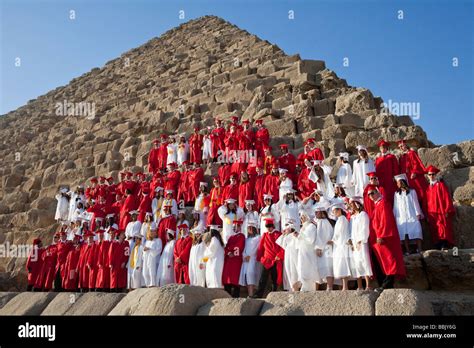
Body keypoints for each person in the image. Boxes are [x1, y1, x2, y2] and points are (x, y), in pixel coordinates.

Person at [368, 188, 406, 291]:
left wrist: (381, 235)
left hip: (384, 238)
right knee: (382, 261)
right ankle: (384, 283)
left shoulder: (383, 203)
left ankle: (387, 284)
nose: (371, 196)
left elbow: (385, 220)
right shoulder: (377, 205)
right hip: (377, 240)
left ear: (378, 192)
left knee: (389, 260)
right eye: (369, 194)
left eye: (372, 193)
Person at [424, 165, 455, 250]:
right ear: (427, 176)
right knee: (435, 229)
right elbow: (426, 202)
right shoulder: (428, 188)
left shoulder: (440, 185)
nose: (431, 176)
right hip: (431, 213)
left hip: (440, 211)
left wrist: (447, 209)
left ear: (436, 175)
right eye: (429, 174)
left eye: (433, 174)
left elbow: (446, 198)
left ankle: (444, 244)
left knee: (443, 227)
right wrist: (427, 214)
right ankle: (438, 244)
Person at [393, 174, 424, 255]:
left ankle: (420, 248)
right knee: (404, 233)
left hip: (412, 214)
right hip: (401, 217)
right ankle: (408, 250)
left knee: (417, 231)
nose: (397, 184)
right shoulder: (396, 194)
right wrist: (394, 216)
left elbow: (415, 203)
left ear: (402, 182)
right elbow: (395, 206)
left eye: (398, 182)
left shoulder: (412, 191)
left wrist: (418, 213)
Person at [349, 197, 373, 291]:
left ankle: (368, 285)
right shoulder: (352, 217)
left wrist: (360, 240)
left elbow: (365, 228)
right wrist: (350, 240)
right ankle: (359, 286)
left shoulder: (363, 215)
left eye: (352, 204)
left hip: (361, 242)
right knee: (356, 263)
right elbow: (351, 230)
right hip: (354, 243)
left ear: (357, 204)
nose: (351, 206)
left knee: (364, 261)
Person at [256, 218, 284, 298]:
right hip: (266, 260)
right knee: (262, 279)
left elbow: (282, 246)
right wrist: (259, 257)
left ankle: (274, 296)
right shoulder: (265, 235)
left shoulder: (278, 234)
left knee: (274, 279)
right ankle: (258, 295)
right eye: (267, 226)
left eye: (270, 226)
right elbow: (261, 247)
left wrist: (279, 255)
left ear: (273, 226)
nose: (268, 227)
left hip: (275, 260)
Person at [397, 139, 428, 205]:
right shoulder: (401, 156)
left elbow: (416, 163)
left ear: (405, 145)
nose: (401, 148)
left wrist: (414, 172)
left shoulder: (411, 153)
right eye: (399, 147)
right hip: (406, 177)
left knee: (419, 190)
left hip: (413, 176)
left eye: (402, 146)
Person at [296, 211, 320, 292]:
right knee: (302, 269)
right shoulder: (303, 227)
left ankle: (310, 289)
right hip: (302, 252)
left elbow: (311, 240)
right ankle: (304, 287)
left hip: (309, 252)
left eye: (303, 217)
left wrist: (300, 235)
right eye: (301, 217)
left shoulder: (311, 226)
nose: (301, 219)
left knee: (309, 270)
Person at [330, 203, 352, 291]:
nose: (334, 212)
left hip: (342, 245)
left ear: (339, 210)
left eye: (335, 210)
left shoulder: (342, 219)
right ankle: (343, 286)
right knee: (340, 265)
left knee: (343, 265)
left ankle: (345, 286)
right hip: (339, 245)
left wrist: (333, 240)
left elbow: (339, 233)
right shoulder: (339, 220)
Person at [222, 220, 246, 297]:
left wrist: (230, 249)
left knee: (235, 279)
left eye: (236, 226)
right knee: (227, 278)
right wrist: (228, 252)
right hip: (229, 259)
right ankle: (227, 295)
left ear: (239, 227)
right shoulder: (231, 237)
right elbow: (226, 247)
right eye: (234, 226)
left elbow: (238, 246)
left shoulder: (241, 236)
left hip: (236, 260)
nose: (234, 228)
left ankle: (236, 296)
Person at [314, 205, 334, 290]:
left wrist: (318, 247)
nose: (315, 214)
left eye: (317, 212)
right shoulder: (327, 222)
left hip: (325, 248)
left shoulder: (323, 222)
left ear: (322, 212)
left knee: (327, 266)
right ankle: (329, 286)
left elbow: (321, 236)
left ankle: (329, 286)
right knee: (328, 266)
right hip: (327, 247)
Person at [239, 222, 262, 297]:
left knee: (251, 275)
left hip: (253, 259)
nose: (249, 230)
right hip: (246, 260)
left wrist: (250, 255)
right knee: (246, 276)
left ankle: (252, 294)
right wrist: (244, 255)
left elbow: (257, 248)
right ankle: (250, 294)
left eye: (250, 228)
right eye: (248, 228)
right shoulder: (247, 239)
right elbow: (244, 248)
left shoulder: (258, 237)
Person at [375, 140, 399, 206]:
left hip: (390, 180)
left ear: (387, 148)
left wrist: (395, 177)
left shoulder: (391, 157)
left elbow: (395, 168)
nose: (383, 149)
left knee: (392, 195)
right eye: (381, 148)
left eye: (384, 147)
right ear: (380, 149)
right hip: (382, 182)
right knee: (383, 196)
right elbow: (376, 169)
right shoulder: (378, 159)